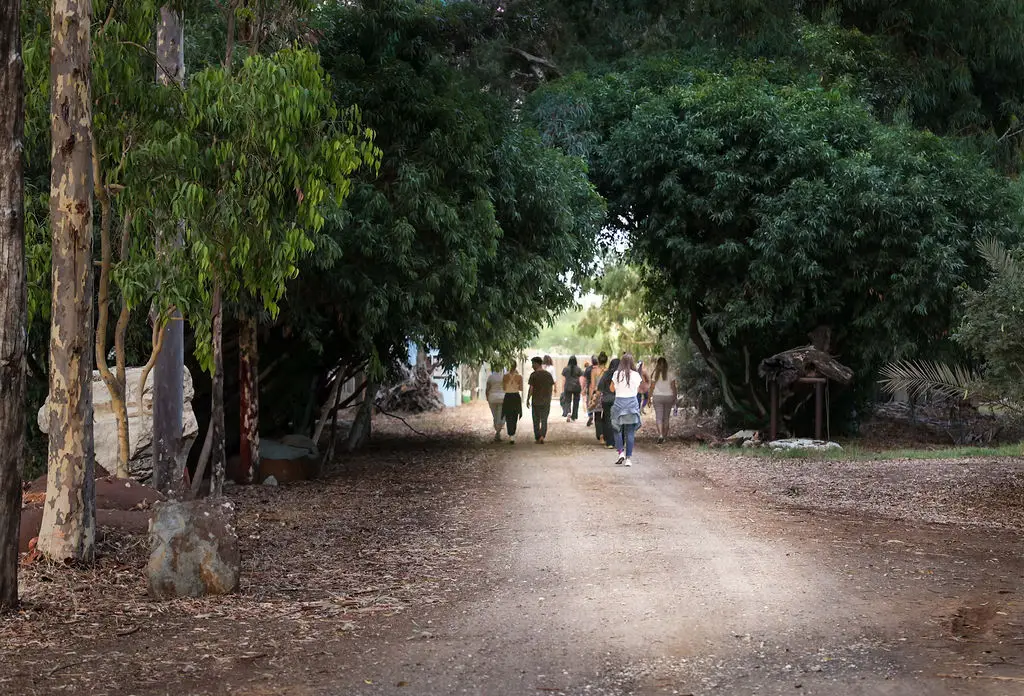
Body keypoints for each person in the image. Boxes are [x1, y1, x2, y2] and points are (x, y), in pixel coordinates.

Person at [610, 353, 647, 467]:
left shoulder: (616, 374)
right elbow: (640, 389)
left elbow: (611, 389)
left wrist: (619, 386)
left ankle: (620, 452)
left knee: (617, 429)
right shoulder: (636, 375)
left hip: (619, 404)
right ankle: (628, 459)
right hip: (631, 404)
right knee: (630, 432)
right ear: (632, 363)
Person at [527, 356, 555, 444]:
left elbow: (531, 388)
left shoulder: (533, 375)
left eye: (533, 364)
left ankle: (538, 437)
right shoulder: (548, 375)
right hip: (546, 401)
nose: (532, 366)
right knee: (544, 419)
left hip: (536, 401)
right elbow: (551, 387)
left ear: (537, 364)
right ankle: (542, 436)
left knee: (536, 420)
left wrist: (528, 398)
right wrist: (549, 397)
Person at [650, 356, 678, 444]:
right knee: (666, 418)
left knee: (659, 417)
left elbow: (652, 387)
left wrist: (649, 398)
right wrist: (675, 397)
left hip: (657, 397)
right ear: (666, 364)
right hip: (669, 397)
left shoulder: (655, 374)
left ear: (657, 364)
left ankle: (660, 435)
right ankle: (665, 437)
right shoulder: (670, 374)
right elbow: (673, 387)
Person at [596, 356, 619, 449]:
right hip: (618, 400)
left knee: (608, 420)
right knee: (618, 420)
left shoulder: (606, 374)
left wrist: (596, 397)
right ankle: (619, 442)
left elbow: (600, 387)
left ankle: (609, 442)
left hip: (606, 400)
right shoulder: (622, 375)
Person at [501, 362, 523, 444]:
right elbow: (521, 388)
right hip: (516, 396)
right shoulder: (519, 377)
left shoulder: (505, 376)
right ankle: (512, 434)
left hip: (508, 396)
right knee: (514, 415)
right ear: (516, 366)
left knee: (508, 415)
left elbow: (504, 388)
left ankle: (510, 434)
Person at [484, 365, 506, 442]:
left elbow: (487, 389)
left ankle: (497, 432)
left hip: (492, 398)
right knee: (501, 416)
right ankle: (498, 432)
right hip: (502, 398)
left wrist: (487, 397)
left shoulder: (490, 377)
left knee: (495, 416)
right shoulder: (504, 377)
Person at [561, 355, 583, 422]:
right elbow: (581, 379)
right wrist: (582, 388)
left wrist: (563, 388)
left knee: (567, 401)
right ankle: (574, 416)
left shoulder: (565, 369)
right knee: (576, 402)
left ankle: (568, 412)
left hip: (568, 387)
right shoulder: (578, 369)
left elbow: (563, 380)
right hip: (576, 387)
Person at [583, 354, 598, 426]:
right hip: (598, 388)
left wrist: (584, 389)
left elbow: (585, 380)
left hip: (590, 388)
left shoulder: (588, 369)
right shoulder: (601, 369)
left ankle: (590, 415)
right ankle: (597, 416)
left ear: (592, 361)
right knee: (597, 401)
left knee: (589, 401)